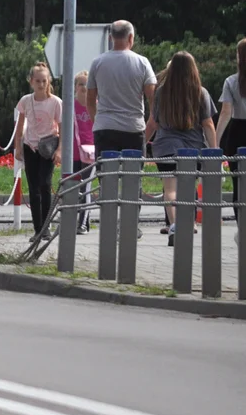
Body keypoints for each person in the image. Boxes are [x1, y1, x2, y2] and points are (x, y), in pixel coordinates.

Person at [146, 51, 216, 246]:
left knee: (170, 189)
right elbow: (208, 124)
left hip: (166, 147)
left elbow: (153, 123)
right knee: (188, 188)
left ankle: (175, 225)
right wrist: (214, 150)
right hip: (193, 149)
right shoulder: (201, 92)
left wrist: (141, 143)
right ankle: (188, 223)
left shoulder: (161, 93)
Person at [87, 20, 157, 155]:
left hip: (105, 128)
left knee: (107, 174)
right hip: (133, 129)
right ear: (131, 37)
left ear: (110, 37)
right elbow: (153, 99)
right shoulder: (142, 63)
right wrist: (148, 131)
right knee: (132, 175)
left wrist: (98, 122)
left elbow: (90, 99)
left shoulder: (97, 63)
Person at [15, 62, 62, 240]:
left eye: (44, 80)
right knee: (33, 189)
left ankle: (46, 228)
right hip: (30, 147)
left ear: (49, 81)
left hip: (48, 148)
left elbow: (62, 127)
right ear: (31, 81)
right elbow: (20, 126)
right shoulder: (26, 101)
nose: (41, 84)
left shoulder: (56, 102)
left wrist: (59, 150)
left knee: (45, 184)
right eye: (38, 81)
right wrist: (18, 148)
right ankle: (37, 229)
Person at [216, 38, 246, 216]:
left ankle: (241, 227)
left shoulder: (231, 82)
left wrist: (215, 141)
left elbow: (226, 112)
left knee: (238, 183)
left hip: (237, 133)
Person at [72, 70, 96, 234]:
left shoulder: (96, 104)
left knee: (85, 186)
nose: (84, 87)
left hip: (90, 152)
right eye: (81, 84)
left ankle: (83, 223)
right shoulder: (70, 105)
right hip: (73, 151)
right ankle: (73, 220)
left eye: (87, 84)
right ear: (75, 87)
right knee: (74, 187)